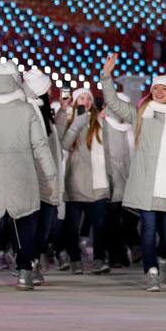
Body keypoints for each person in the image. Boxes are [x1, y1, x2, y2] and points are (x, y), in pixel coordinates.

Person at [99, 53, 166, 291]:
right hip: (145, 184)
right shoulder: (141, 114)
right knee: (148, 229)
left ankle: (164, 259)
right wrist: (106, 76)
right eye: (156, 88)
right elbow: (113, 103)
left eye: (164, 88)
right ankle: (152, 270)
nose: (158, 92)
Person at [0, 59, 58, 291]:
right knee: (25, 228)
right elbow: (40, 145)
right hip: (23, 173)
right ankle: (24, 274)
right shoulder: (26, 109)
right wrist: (50, 173)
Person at [61, 87, 112, 275]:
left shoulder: (99, 121)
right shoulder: (68, 120)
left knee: (100, 224)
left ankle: (99, 259)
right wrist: (75, 124)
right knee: (72, 226)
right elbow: (65, 144)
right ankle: (74, 259)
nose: (85, 101)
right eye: (81, 98)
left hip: (97, 182)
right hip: (75, 181)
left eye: (88, 98)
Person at [22, 67, 64, 282]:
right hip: (34, 177)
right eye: (47, 90)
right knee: (33, 224)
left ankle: (34, 259)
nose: (50, 94)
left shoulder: (46, 114)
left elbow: (59, 144)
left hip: (49, 177)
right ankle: (29, 263)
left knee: (44, 225)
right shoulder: (28, 111)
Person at [102, 90, 136, 267]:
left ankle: (124, 250)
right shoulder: (104, 125)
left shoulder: (131, 128)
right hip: (111, 182)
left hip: (129, 183)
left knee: (130, 221)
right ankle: (115, 255)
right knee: (113, 222)